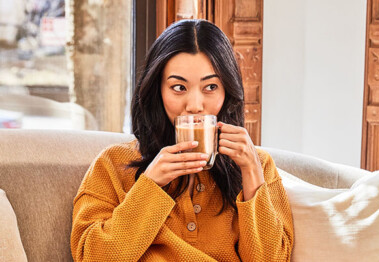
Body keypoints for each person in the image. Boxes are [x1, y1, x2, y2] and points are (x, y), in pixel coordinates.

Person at [71, 19, 294, 261]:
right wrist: (150, 184)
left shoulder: (258, 166)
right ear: (157, 90)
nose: (195, 106)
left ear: (227, 91)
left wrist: (251, 173)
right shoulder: (113, 164)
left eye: (210, 87)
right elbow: (90, 257)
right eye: (178, 87)